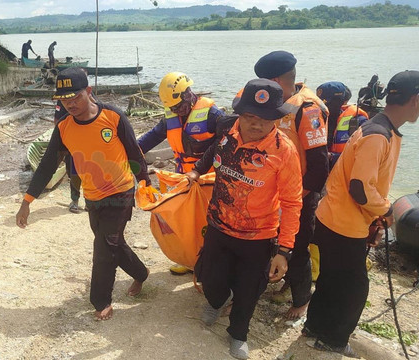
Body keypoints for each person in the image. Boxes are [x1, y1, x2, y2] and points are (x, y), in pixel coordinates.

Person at [16, 67, 151, 321]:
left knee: (103, 248)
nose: (70, 104)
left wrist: (145, 181)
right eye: (63, 100)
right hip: (93, 196)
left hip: (121, 192)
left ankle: (101, 301)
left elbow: (134, 151)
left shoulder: (113, 117)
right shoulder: (64, 127)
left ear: (89, 92)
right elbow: (47, 165)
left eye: (75, 97)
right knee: (112, 243)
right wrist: (27, 201)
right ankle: (142, 274)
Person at [303, 70, 419, 357]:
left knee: (331, 277)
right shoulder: (378, 136)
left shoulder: (380, 127)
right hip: (344, 223)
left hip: (334, 216)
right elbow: (359, 188)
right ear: (415, 100)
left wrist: (377, 211)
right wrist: (387, 209)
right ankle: (333, 339)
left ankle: (314, 326)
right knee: (356, 288)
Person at [187, 78, 303, 359]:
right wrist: (196, 172)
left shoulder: (284, 151)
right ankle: (217, 301)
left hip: (258, 236)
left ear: (276, 118)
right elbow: (213, 151)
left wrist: (284, 250)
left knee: (248, 291)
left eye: (265, 118)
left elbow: (291, 202)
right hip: (218, 225)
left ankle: (238, 334)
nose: (256, 124)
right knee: (211, 279)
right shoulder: (227, 129)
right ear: (240, 114)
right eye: (250, 116)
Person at [247, 51, 329, 319]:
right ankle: (284, 281)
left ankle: (302, 299)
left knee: (297, 245)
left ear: (276, 81)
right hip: (271, 193)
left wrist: (291, 201)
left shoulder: (307, 108)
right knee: (274, 244)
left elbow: (319, 168)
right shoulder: (277, 102)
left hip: (298, 195)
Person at [138, 72, 225, 275]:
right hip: (182, 178)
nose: (175, 111)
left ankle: (209, 264)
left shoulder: (212, 114)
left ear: (188, 93)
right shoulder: (170, 116)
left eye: (177, 106)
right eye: (172, 108)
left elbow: (226, 143)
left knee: (207, 223)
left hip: (208, 180)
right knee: (184, 222)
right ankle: (189, 259)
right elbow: (149, 139)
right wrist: (130, 149)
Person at [316, 81, 369, 169]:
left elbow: (365, 156)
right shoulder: (315, 119)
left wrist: (332, 157)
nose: (322, 108)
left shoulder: (357, 121)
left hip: (343, 172)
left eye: (326, 103)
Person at [54, 99, 82, 213]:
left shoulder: (87, 97)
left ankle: (91, 202)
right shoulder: (61, 101)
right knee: (73, 172)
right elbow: (57, 120)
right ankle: (75, 201)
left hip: (87, 139)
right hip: (70, 141)